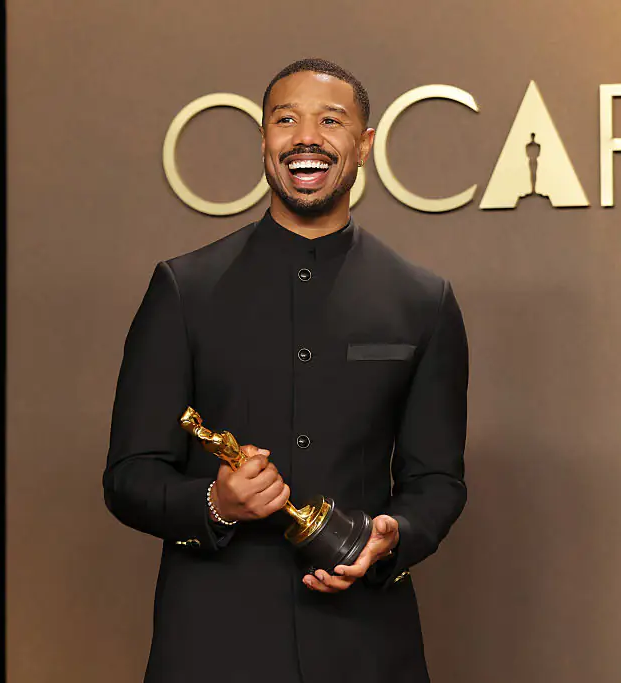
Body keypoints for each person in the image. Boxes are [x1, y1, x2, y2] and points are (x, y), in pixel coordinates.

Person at [103, 57, 469, 683]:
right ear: (264, 140)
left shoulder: (423, 300)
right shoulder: (182, 289)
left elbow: (437, 480)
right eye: (286, 119)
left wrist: (393, 537)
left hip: (366, 647)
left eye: (331, 121)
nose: (307, 137)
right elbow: (129, 476)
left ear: (365, 144)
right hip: (211, 645)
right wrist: (215, 502)